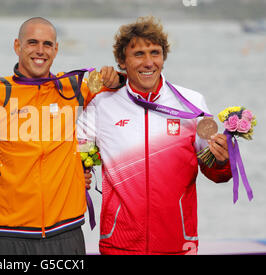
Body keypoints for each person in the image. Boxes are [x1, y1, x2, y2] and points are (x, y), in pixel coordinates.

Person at [0, 17, 122, 255]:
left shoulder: (73, 86)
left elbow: (126, 83)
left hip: (66, 232)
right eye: (32, 43)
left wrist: (116, 76)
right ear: (17, 46)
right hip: (9, 234)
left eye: (47, 44)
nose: (40, 51)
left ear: (56, 49)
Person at [77, 16, 232, 255]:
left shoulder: (193, 103)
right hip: (119, 244)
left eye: (155, 53)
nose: (149, 62)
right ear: (122, 61)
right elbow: (73, 157)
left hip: (178, 243)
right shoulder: (102, 104)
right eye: (138, 54)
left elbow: (217, 172)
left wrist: (222, 160)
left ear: (163, 57)